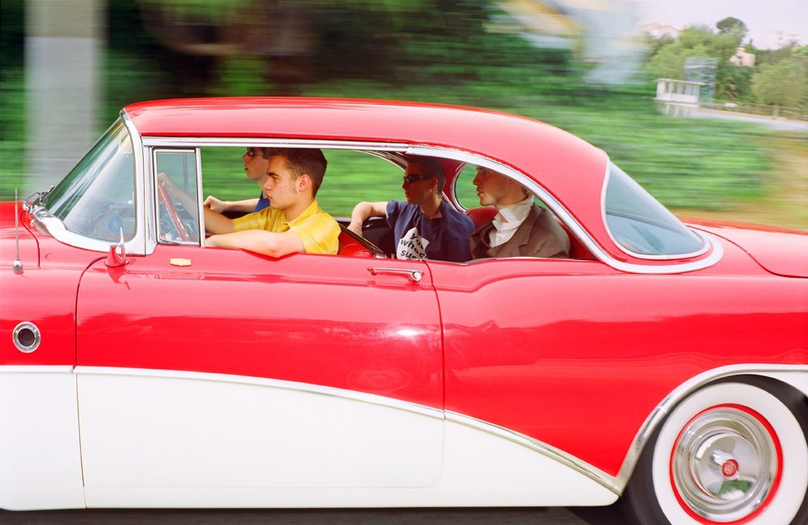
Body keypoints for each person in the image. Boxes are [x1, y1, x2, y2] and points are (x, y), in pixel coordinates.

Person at [203, 148, 339, 257]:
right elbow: (227, 228)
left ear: (302, 183)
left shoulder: (324, 224)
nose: (266, 185)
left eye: (275, 178)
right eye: (268, 176)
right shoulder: (276, 214)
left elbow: (275, 246)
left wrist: (214, 241)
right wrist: (182, 199)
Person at [347, 156, 474, 262]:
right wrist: (356, 225)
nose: (404, 186)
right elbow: (367, 206)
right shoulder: (405, 209)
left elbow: (456, 277)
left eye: (411, 179)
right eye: (404, 179)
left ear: (432, 183)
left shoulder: (456, 229)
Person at [469, 166, 570, 259]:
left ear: (511, 176)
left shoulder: (547, 242)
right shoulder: (498, 223)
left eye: (485, 172)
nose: (475, 181)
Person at [203, 147, 270, 213]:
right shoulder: (270, 196)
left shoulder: (274, 210)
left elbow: (229, 224)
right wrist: (225, 205)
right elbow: (262, 202)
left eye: (252, 153)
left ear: (271, 159)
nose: (244, 157)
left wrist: (201, 210)